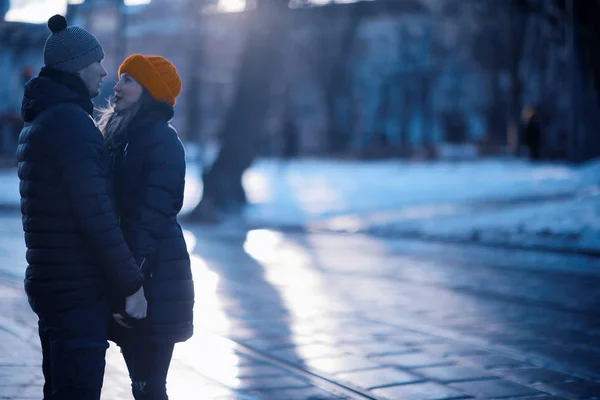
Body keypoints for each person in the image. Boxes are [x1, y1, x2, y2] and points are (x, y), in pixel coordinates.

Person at [16, 15, 148, 400]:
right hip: (76, 288)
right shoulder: (71, 125)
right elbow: (96, 216)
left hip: (53, 282)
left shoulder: (44, 118)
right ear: (76, 66)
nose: (105, 72)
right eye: (97, 62)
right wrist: (131, 283)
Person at [98, 54, 194, 400]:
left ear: (150, 90)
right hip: (132, 273)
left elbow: (152, 216)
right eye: (121, 78)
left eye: (129, 80)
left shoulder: (160, 140)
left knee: (149, 386)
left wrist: (133, 282)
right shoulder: (120, 134)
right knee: (141, 383)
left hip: (153, 275)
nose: (117, 86)